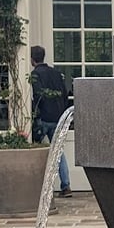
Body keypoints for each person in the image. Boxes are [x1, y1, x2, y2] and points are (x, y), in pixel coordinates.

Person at [30, 45, 71, 197]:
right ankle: (66, 185)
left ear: (32, 59)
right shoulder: (55, 73)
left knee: (36, 151)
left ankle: (38, 186)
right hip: (58, 117)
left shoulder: (35, 75)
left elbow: (38, 95)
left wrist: (37, 113)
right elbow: (65, 94)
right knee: (58, 152)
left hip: (43, 118)